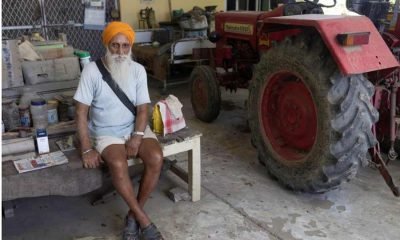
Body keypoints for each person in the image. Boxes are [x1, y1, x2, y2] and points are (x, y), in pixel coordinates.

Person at [74, 21, 164, 240]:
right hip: (106, 131)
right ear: (107, 45)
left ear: (130, 47)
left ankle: (133, 217)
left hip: (134, 127)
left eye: (125, 46)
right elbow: (80, 112)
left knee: (156, 157)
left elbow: (143, 109)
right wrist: (87, 149)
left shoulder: (138, 70)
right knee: (117, 162)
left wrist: (137, 136)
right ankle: (144, 221)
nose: (120, 52)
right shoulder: (92, 71)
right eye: (115, 45)